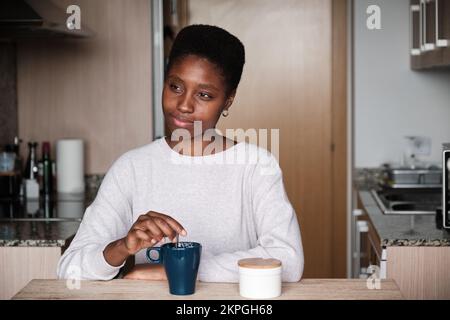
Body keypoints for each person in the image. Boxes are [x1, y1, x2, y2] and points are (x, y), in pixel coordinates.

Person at [57, 24, 304, 283]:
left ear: (228, 100)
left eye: (204, 95)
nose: (184, 105)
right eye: (175, 87)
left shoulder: (256, 166)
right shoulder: (132, 168)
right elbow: (69, 269)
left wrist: (177, 270)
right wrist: (121, 247)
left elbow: (287, 261)